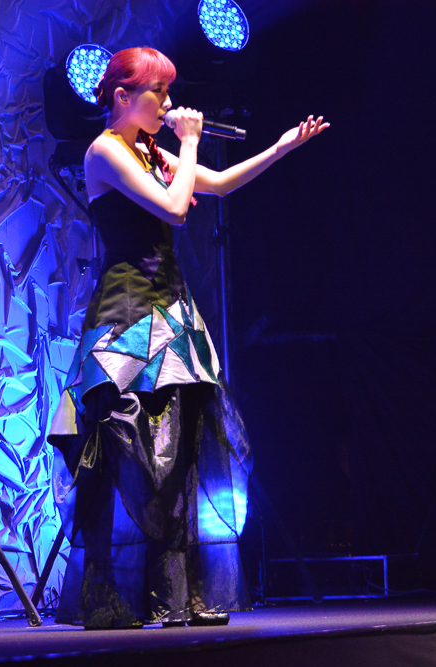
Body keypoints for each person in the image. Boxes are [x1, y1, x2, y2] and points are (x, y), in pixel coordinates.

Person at [48, 46, 327, 629]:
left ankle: (177, 594)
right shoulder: (105, 150)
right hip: (128, 316)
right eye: (160, 93)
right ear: (123, 97)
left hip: (173, 313)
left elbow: (218, 184)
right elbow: (176, 212)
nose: (169, 104)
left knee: (181, 455)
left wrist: (281, 148)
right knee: (135, 455)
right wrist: (191, 141)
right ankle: (128, 596)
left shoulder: (150, 151)